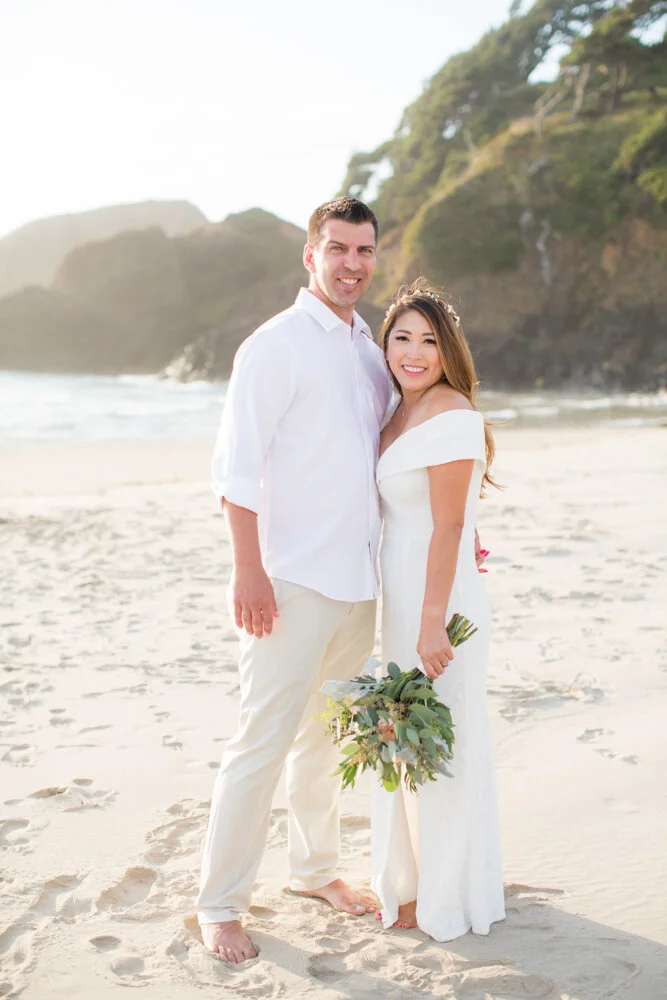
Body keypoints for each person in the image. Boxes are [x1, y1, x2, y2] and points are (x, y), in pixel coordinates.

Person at [196, 196, 394, 963]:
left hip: (357, 581)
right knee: (261, 743)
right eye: (338, 248)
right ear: (310, 255)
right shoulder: (273, 345)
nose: (352, 263)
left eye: (364, 250)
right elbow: (237, 471)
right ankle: (220, 904)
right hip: (290, 580)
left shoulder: (370, 349)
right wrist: (248, 571)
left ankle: (314, 871)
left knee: (325, 739)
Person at [371, 278, 505, 941]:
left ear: (447, 349)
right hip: (400, 593)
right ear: (385, 347)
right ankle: (410, 884)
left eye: (429, 341)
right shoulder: (394, 413)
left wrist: (431, 623)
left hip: (438, 601)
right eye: (402, 339)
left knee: (443, 738)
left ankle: (448, 895)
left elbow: (449, 526)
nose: (414, 353)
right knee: (404, 737)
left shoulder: (452, 413)